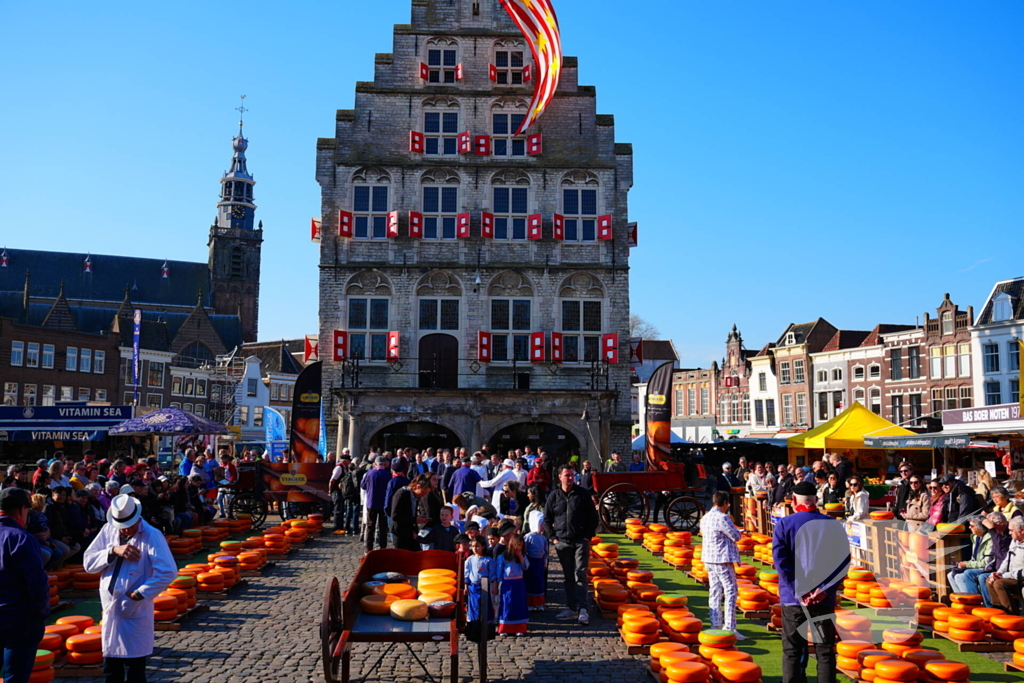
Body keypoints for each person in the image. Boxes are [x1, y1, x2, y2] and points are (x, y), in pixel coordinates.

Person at [83, 494, 177, 683]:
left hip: (135, 611)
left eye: (129, 525)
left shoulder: (151, 535)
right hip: (110, 610)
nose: (126, 529)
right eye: (122, 526)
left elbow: (168, 571)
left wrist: (139, 593)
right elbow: (88, 562)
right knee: (111, 669)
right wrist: (112, 551)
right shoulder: (108, 529)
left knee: (134, 669)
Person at [773, 481, 848, 683]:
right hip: (823, 599)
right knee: (825, 652)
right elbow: (843, 562)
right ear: (816, 500)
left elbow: (781, 561)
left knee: (792, 651)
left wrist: (800, 589)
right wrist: (824, 589)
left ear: (794, 500)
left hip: (793, 598)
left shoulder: (784, 524)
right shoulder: (833, 525)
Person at [0, 488, 50, 683]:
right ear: (22, 509)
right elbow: (37, 583)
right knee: (16, 678)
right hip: (18, 619)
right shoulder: (21, 538)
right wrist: (40, 615)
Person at [544, 464, 599, 626]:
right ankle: (570, 607)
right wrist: (553, 538)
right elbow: (547, 519)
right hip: (562, 542)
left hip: (581, 541)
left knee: (580, 574)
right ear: (559, 477)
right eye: (566, 475)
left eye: (572, 475)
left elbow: (593, 517)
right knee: (568, 576)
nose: (569, 478)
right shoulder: (554, 496)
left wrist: (588, 536)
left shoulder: (582, 494)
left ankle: (583, 608)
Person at [700, 490, 744, 640]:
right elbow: (736, 536)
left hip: (709, 558)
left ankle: (716, 624)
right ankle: (730, 627)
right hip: (722, 559)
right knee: (731, 591)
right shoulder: (723, 517)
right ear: (725, 504)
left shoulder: (705, 517)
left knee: (715, 591)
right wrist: (739, 531)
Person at [948, 515, 997, 596]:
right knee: (950, 575)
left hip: (987, 568)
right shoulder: (976, 538)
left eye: (972, 525)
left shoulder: (990, 539)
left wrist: (967, 564)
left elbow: (987, 562)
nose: (969, 527)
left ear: (979, 527)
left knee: (960, 577)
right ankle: (961, 601)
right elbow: (974, 559)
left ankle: (972, 601)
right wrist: (964, 563)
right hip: (976, 566)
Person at [985, 516, 1024, 613]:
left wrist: (1003, 575)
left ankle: (1010, 616)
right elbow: (1007, 560)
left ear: (1022, 530)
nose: (1009, 533)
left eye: (1011, 530)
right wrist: (997, 573)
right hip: (1012, 577)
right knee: (990, 580)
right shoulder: (1014, 541)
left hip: (1021, 578)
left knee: (999, 583)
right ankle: (998, 612)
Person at [495, 533, 529, 636]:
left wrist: (521, 557)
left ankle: (519, 627)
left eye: (521, 545)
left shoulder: (522, 556)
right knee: (507, 604)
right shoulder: (503, 557)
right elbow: (499, 572)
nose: (520, 547)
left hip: (518, 583)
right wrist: (497, 585)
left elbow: (526, 567)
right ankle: (505, 627)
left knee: (519, 605)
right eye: (518, 545)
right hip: (507, 583)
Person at [390, 474, 433, 551]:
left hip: (410, 533)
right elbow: (395, 516)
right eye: (423, 492)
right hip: (400, 533)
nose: (423, 495)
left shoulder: (415, 496)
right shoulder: (401, 494)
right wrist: (414, 519)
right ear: (417, 486)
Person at [361, 456, 392, 553]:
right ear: (384, 464)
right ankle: (383, 548)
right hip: (383, 503)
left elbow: (363, 486)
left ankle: (368, 549)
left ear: (375, 463)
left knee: (370, 527)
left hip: (371, 502)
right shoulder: (388, 474)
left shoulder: (369, 473)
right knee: (383, 527)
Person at [465, 537, 496, 623]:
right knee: (474, 606)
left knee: (486, 605)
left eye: (477, 546)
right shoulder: (470, 560)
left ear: (483, 546)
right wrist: (466, 586)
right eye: (473, 546)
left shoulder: (488, 560)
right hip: (473, 587)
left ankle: (487, 624)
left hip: (485, 587)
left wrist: (495, 586)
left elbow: (493, 574)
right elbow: (467, 573)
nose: (475, 548)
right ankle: (474, 623)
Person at [524, 511, 548, 612]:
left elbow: (546, 551)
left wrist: (545, 562)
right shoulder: (528, 537)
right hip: (531, 562)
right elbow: (525, 550)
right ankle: (531, 603)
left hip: (540, 562)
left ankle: (539, 602)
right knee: (531, 582)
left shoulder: (543, 538)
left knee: (540, 582)